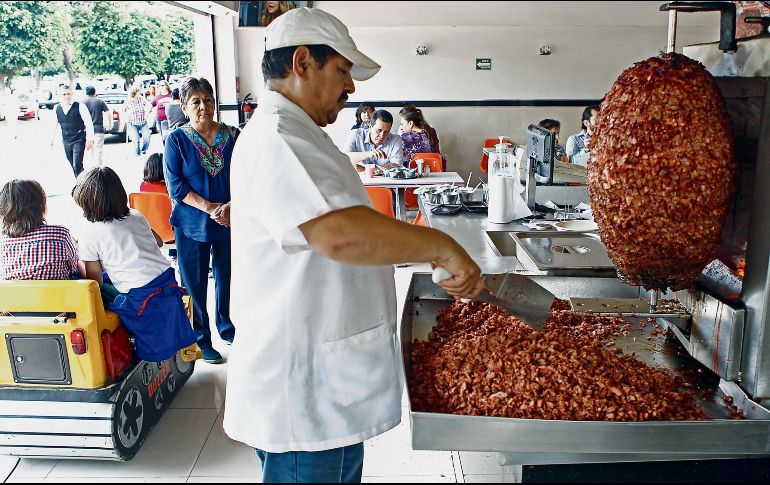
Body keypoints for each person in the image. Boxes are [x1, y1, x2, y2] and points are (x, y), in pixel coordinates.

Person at [226, 7, 484, 483]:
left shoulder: (300, 132)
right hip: (307, 393)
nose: (351, 88)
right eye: (343, 70)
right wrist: (442, 246)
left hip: (318, 376)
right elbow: (339, 233)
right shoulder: (280, 137)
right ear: (303, 62)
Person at [72, 167, 197, 361]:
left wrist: (81, 260)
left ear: (86, 203)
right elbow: (159, 242)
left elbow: (94, 282)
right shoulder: (136, 215)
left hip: (139, 298)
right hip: (165, 282)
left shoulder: (90, 234)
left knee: (102, 289)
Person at [164, 77, 237, 365]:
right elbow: (176, 187)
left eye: (208, 100)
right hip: (191, 223)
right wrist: (211, 208)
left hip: (230, 219)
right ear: (184, 107)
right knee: (195, 283)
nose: (203, 106)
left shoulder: (233, 135)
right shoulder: (177, 140)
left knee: (226, 275)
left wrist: (230, 207)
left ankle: (226, 325)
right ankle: (201, 338)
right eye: (195, 102)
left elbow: (247, 174)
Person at [1, 179, 81, 281]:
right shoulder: (60, 235)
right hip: (59, 296)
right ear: (41, 205)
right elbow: (73, 269)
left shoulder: (3, 242)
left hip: (14, 297)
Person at [50, 85, 94, 177]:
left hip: (79, 139)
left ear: (72, 94)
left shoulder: (80, 106)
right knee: (73, 165)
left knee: (77, 164)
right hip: (66, 140)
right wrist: (51, 139)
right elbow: (53, 125)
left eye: (69, 94)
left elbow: (89, 123)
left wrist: (90, 139)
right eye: (64, 94)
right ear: (60, 95)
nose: (67, 96)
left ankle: (82, 186)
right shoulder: (56, 108)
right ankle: (82, 182)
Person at [83, 86, 111, 168]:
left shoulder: (82, 102)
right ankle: (97, 168)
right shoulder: (100, 101)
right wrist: (109, 124)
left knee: (89, 150)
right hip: (98, 130)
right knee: (98, 149)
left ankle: (91, 168)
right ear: (95, 92)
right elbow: (108, 113)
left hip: (86, 131)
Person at [124, 85, 152, 157]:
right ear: (134, 93)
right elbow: (123, 111)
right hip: (133, 123)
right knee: (136, 139)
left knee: (147, 137)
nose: (140, 93)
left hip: (143, 122)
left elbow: (149, 105)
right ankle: (137, 154)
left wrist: (148, 111)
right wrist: (127, 117)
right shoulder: (128, 101)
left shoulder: (142, 99)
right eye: (138, 92)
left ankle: (143, 150)